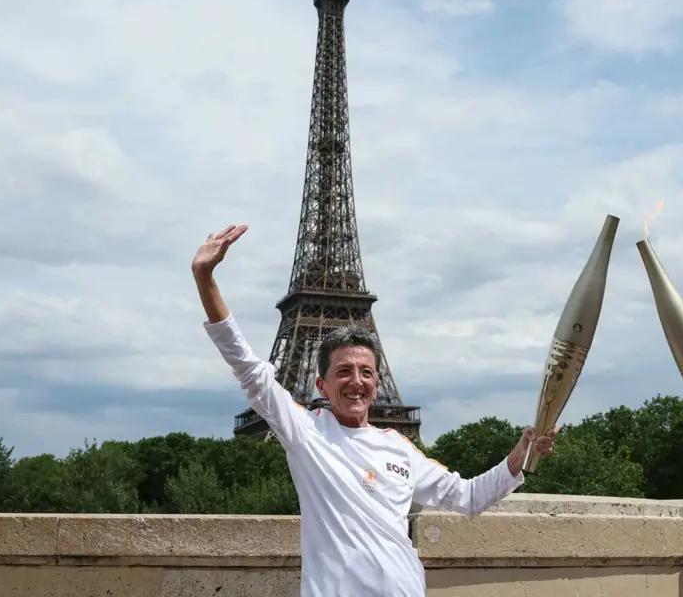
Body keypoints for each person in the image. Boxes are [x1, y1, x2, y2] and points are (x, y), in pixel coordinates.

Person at [192, 224, 556, 597]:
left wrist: (521, 454)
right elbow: (250, 370)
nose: (356, 380)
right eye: (344, 371)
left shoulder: (399, 448)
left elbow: (468, 497)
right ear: (322, 386)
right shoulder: (306, 432)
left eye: (366, 372)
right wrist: (205, 279)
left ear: (376, 384)